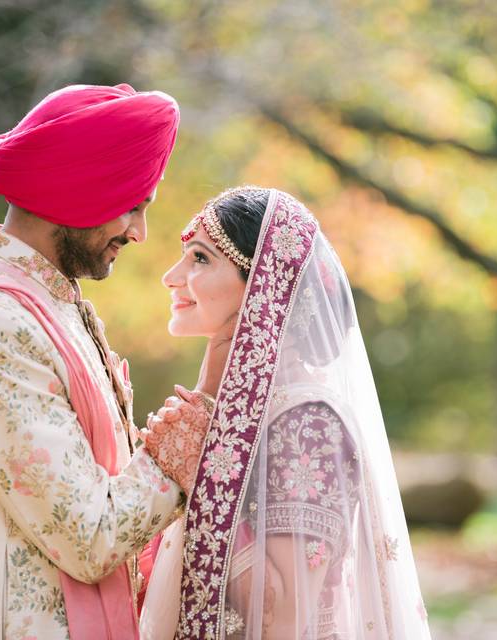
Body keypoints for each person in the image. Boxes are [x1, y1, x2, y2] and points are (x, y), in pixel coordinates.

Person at [0, 83, 209, 640]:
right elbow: (88, 537)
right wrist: (176, 455)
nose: (139, 232)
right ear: (80, 189)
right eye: (133, 205)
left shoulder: (45, 305)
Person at [140, 187, 432, 639]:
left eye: (199, 258)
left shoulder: (309, 423)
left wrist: (200, 475)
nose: (171, 276)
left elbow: (281, 615)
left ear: (263, 284)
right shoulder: (234, 409)